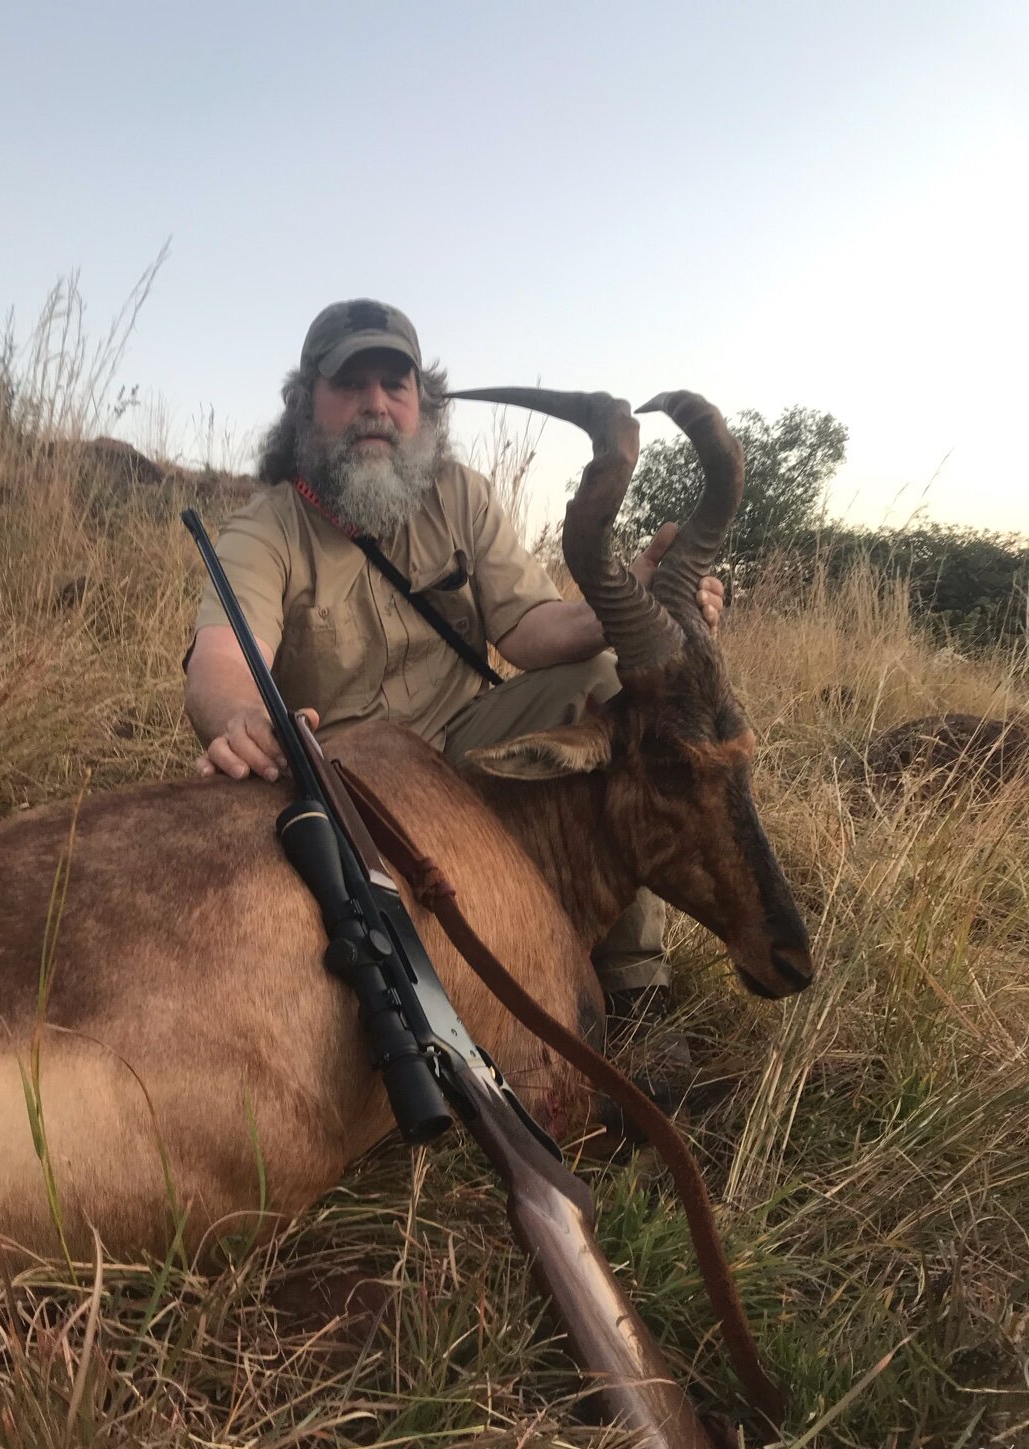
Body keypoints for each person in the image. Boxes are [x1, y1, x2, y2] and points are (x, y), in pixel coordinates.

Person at [184, 299, 724, 1032]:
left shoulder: (460, 494)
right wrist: (241, 716)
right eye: (350, 385)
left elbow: (529, 630)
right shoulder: (265, 528)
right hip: (358, 784)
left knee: (604, 689)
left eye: (394, 385)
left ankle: (635, 985)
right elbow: (223, 660)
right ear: (306, 405)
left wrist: (629, 602)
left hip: (468, 747)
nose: (375, 404)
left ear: (422, 403)